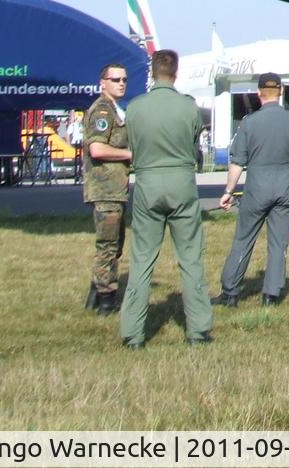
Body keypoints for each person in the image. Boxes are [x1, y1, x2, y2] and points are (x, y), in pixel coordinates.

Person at [119, 49, 213, 348]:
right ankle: (198, 330)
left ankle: (133, 333)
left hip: (147, 182)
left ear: (152, 72)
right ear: (175, 73)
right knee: (190, 257)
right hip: (182, 184)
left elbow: (131, 142)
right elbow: (195, 140)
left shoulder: (135, 108)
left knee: (142, 259)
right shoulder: (188, 107)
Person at [216, 73, 289, 307]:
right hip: (283, 185)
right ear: (281, 92)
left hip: (256, 185)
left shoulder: (249, 122)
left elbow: (237, 162)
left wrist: (228, 190)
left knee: (244, 238)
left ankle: (230, 292)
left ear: (258, 94)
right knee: (278, 243)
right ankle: (271, 294)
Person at [81, 63, 132, 316]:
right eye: (115, 79)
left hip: (115, 189)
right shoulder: (102, 111)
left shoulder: (114, 109)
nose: (121, 83)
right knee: (108, 247)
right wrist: (129, 154)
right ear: (103, 82)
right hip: (105, 189)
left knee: (115, 245)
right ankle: (106, 302)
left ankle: (95, 295)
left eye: (124, 79)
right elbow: (97, 149)